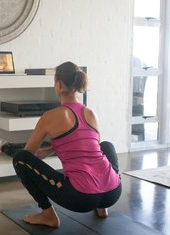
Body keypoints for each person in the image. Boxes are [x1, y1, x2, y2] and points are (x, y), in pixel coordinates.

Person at [12, 61, 121, 228]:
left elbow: (28, 154)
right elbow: (87, 149)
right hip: (113, 193)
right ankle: (101, 207)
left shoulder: (50, 116)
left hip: (80, 198)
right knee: (106, 146)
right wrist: (51, 149)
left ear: (59, 84)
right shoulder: (90, 112)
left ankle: (48, 215)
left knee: (19, 158)